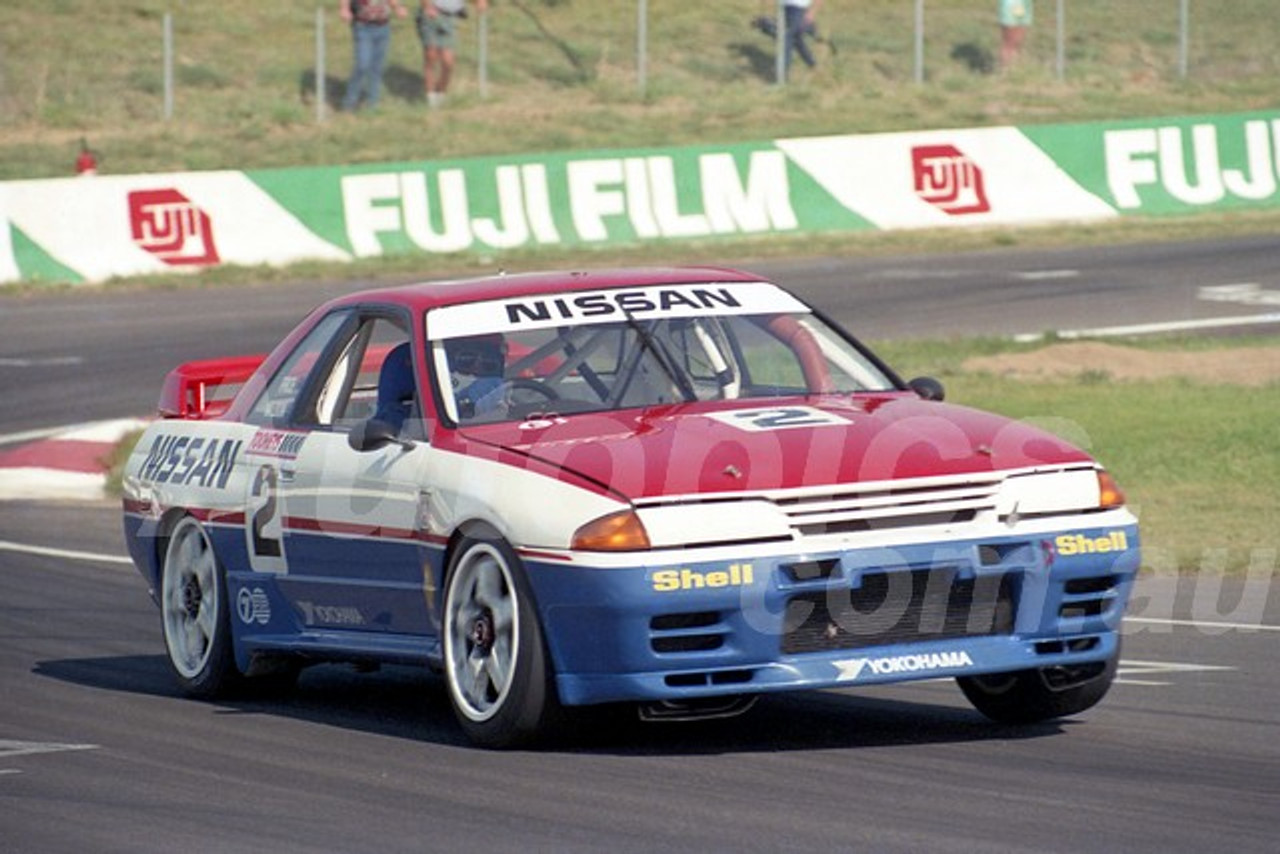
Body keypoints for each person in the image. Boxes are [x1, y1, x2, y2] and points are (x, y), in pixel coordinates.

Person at [416, 0, 488, 108]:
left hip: (450, 17)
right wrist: (427, 6)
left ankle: (441, 94)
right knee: (431, 55)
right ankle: (431, 98)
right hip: (431, 13)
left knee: (448, 61)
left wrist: (479, 2)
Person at [340, 0, 408, 112]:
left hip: (383, 27)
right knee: (362, 64)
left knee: (377, 67)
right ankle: (350, 102)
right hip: (363, 26)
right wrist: (344, 8)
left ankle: (372, 103)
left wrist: (398, 8)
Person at [998, 0, 1033, 71]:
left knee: (1018, 42)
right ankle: (1005, 70)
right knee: (1009, 43)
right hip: (1010, 4)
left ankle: (1014, 70)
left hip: (1024, 5)